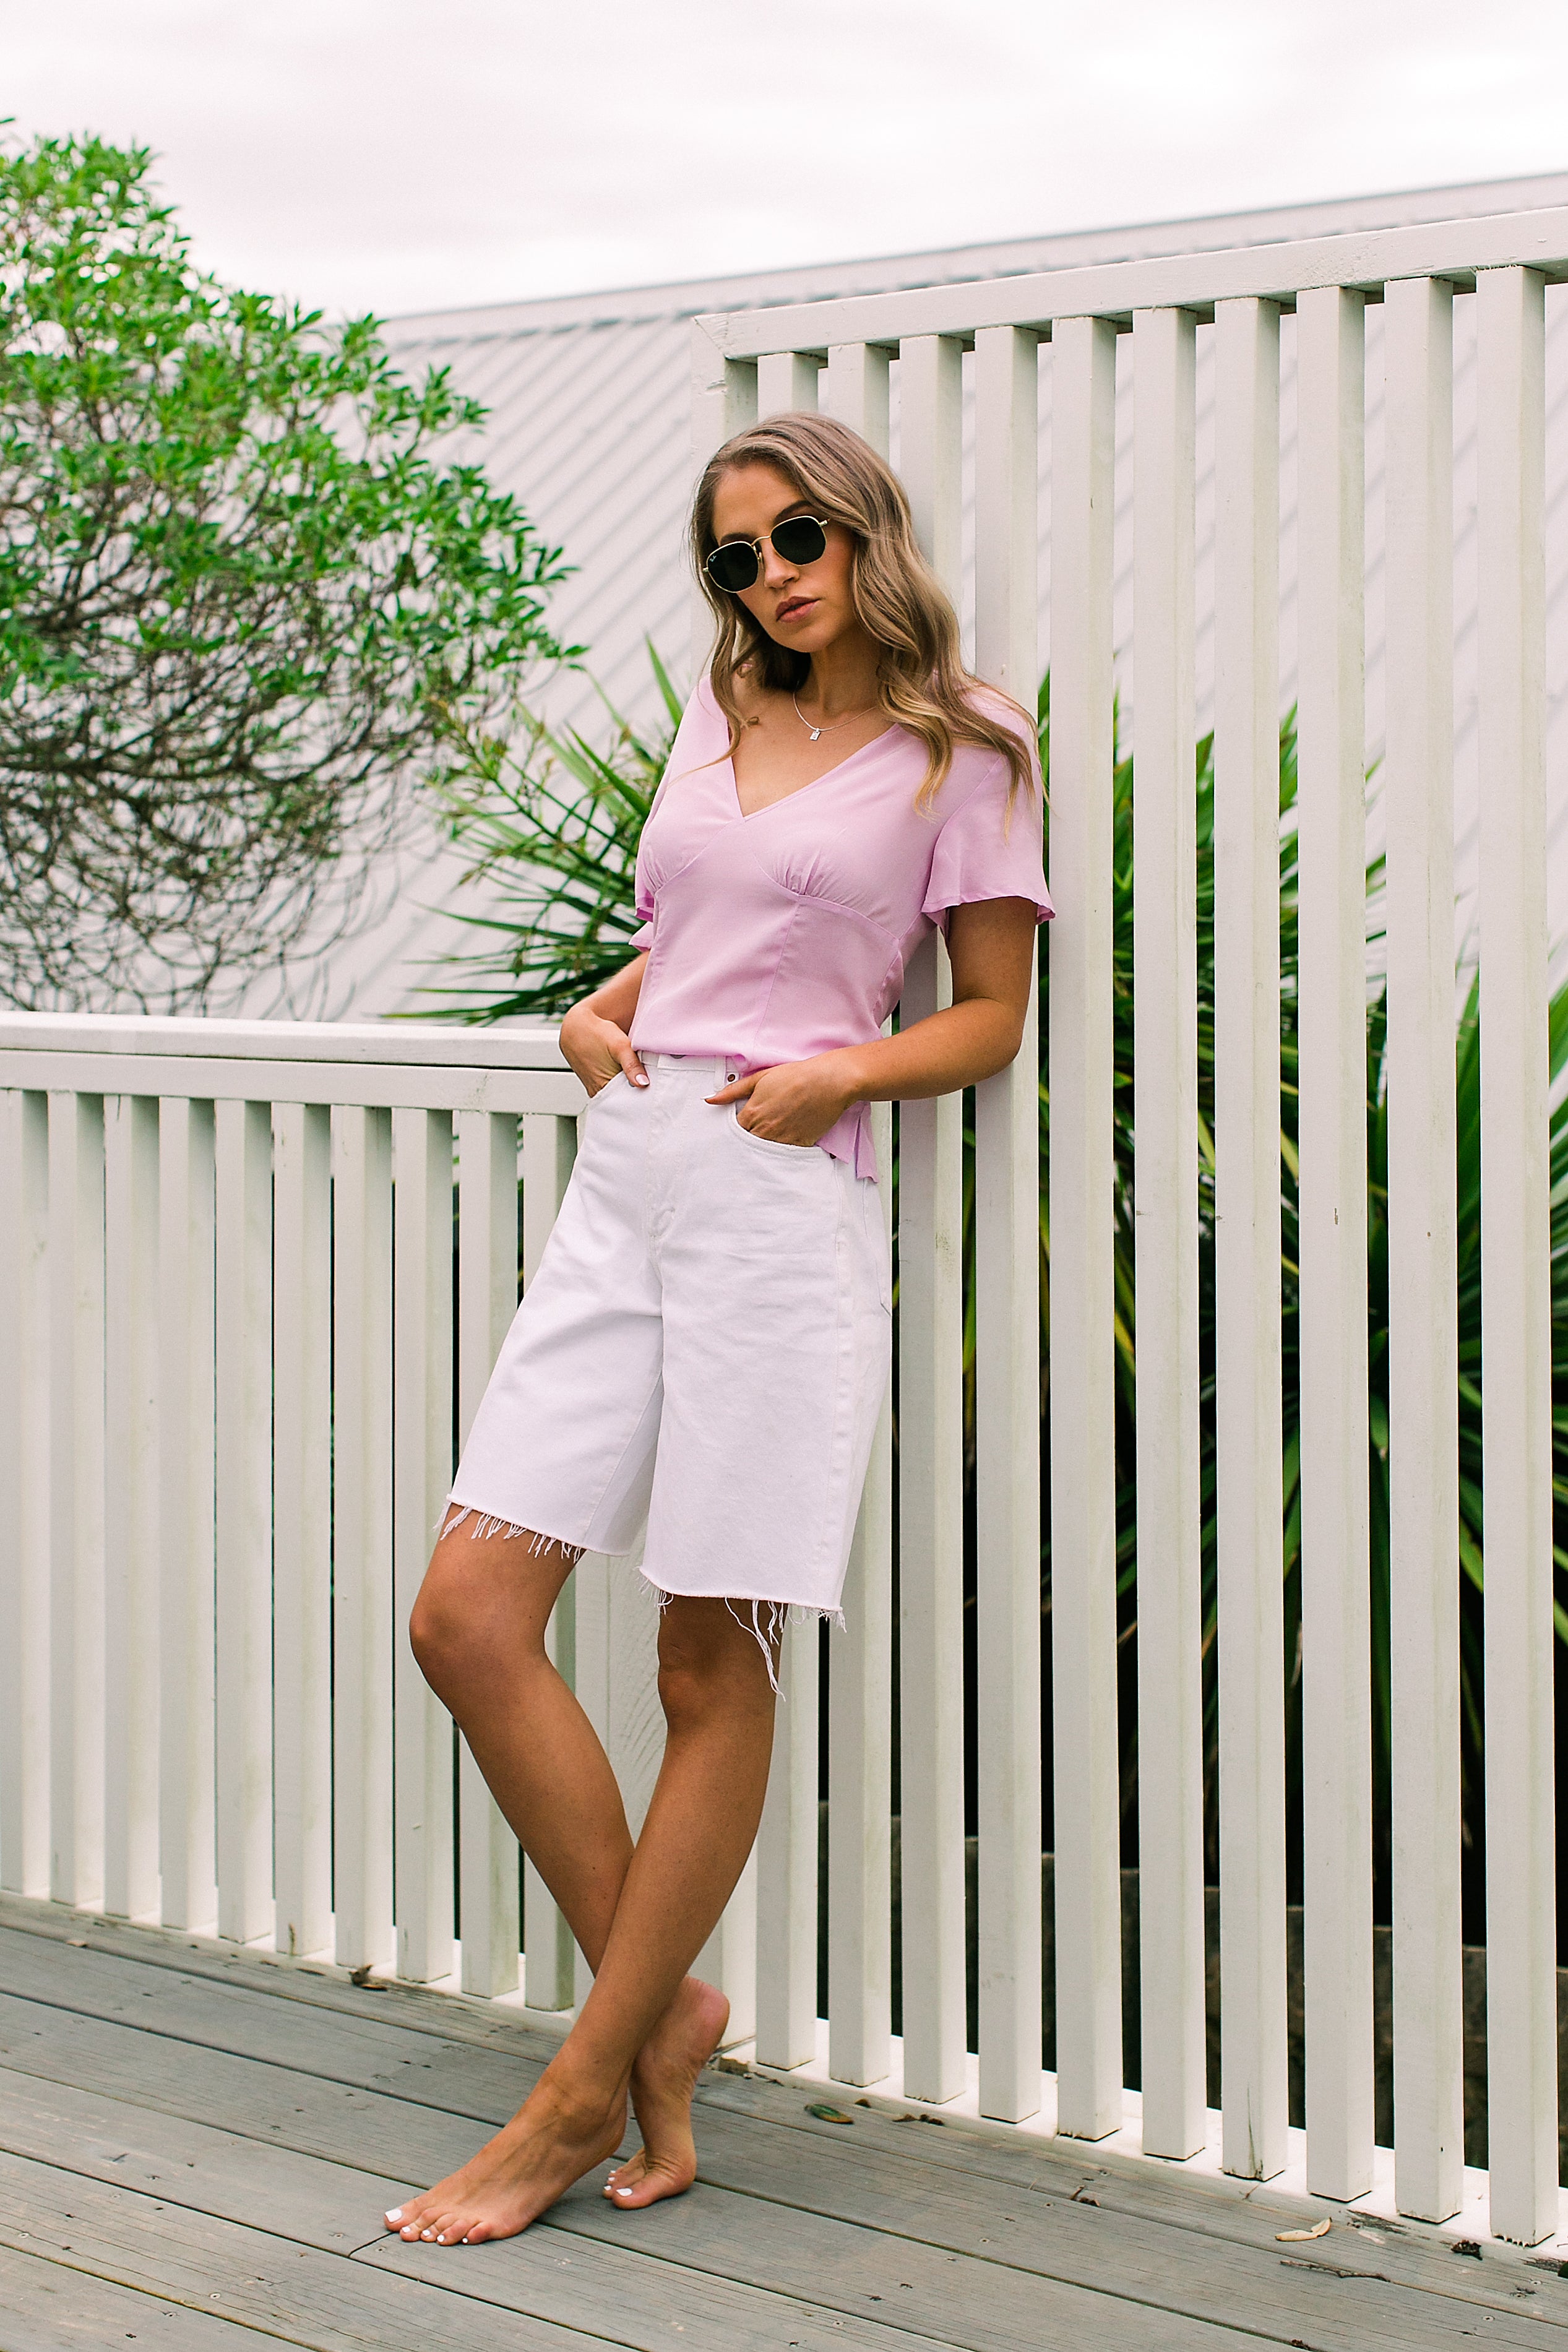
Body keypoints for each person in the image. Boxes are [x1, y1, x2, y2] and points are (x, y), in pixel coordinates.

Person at [384, 410, 1051, 2247]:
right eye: (737, 558)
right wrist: (600, 1010)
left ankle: (574, 2095)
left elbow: (989, 1013)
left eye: (797, 537)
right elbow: (697, 928)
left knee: (706, 1660)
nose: (770, 579)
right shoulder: (722, 708)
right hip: (631, 1176)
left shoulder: (966, 745)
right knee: (466, 1613)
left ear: (865, 528)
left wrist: (843, 1069)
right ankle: (660, 2012)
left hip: (778, 1199)